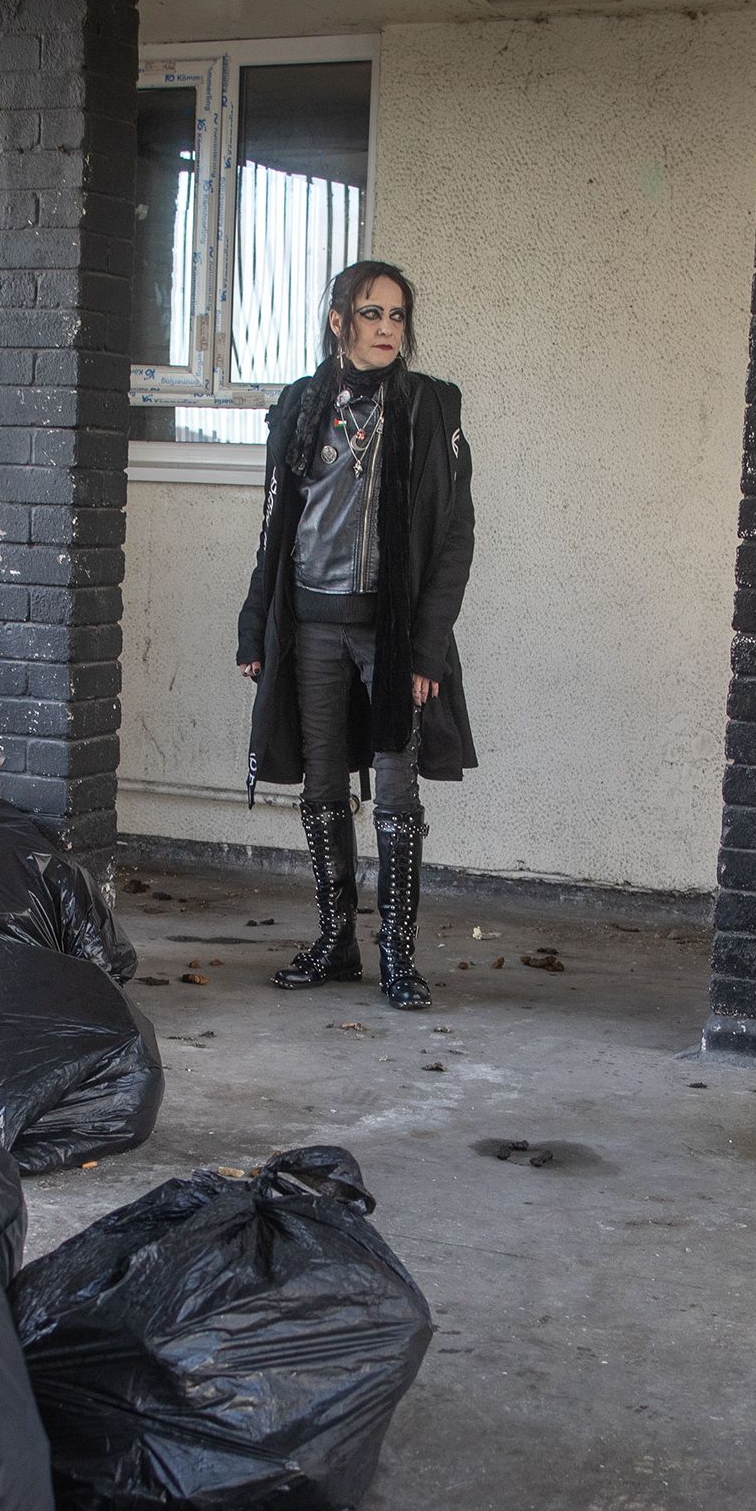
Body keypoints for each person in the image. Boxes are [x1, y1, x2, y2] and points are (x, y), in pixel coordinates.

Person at [236, 259, 478, 1011]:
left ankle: (397, 956)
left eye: (396, 316)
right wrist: (255, 625)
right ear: (338, 320)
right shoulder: (302, 407)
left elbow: (454, 538)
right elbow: (276, 527)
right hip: (310, 625)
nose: (385, 329)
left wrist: (429, 646)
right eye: (370, 314)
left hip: (393, 633)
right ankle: (336, 939)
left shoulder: (431, 408)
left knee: (398, 794)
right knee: (320, 785)